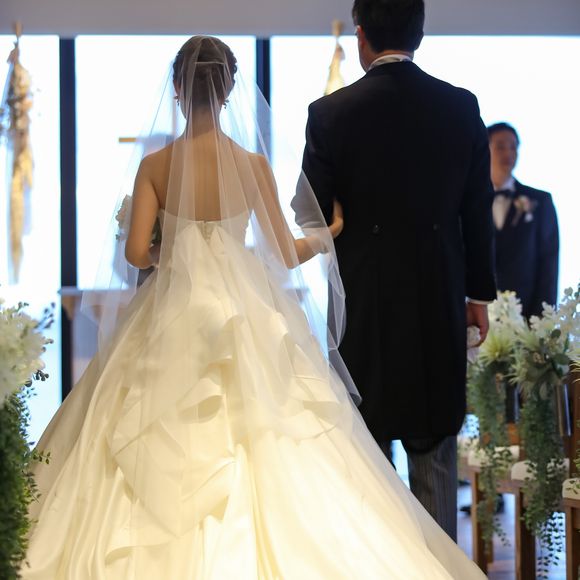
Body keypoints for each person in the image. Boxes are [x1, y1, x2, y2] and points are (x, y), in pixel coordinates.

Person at [22, 36, 485, 579]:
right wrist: (330, 231)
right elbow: (285, 253)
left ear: (178, 89)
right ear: (228, 91)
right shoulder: (251, 164)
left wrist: (169, 250)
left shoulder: (156, 165)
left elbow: (134, 253)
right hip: (243, 308)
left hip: (170, 313)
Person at [296, 0, 496, 541]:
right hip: (437, 301)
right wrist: (478, 296)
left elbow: (310, 213)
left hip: (364, 305)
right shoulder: (460, 107)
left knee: (368, 457)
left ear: (361, 36)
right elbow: (477, 210)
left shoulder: (330, 113)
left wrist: (343, 213)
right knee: (434, 455)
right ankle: (440, 567)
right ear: (420, 34)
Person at [488, 122, 559, 319]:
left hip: (525, 315)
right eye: (500, 146)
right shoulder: (469, 201)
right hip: (477, 316)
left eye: (513, 147)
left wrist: (540, 320)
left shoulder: (540, 201)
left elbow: (548, 263)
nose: (508, 153)